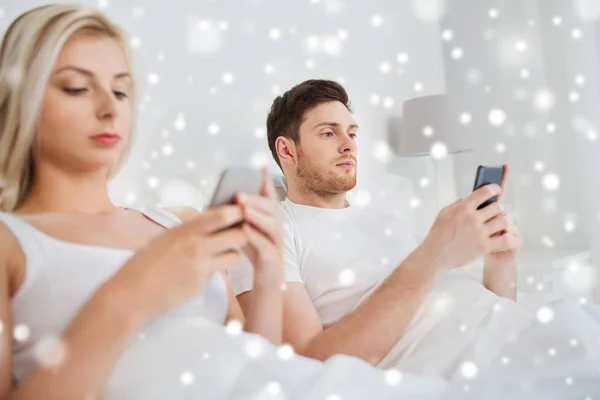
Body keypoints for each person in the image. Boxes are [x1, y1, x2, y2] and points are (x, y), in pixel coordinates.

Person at [0, 4, 289, 398]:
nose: (109, 108)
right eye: (76, 88)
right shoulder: (10, 243)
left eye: (121, 90)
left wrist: (269, 278)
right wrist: (130, 295)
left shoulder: (181, 226)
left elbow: (256, 375)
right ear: (22, 98)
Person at [230, 79, 600, 382]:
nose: (348, 145)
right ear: (287, 150)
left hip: (521, 332)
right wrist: (433, 255)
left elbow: (485, 309)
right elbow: (310, 361)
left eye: (352, 133)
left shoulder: (383, 221)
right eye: (328, 133)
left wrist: (500, 263)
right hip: (484, 367)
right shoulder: (272, 230)